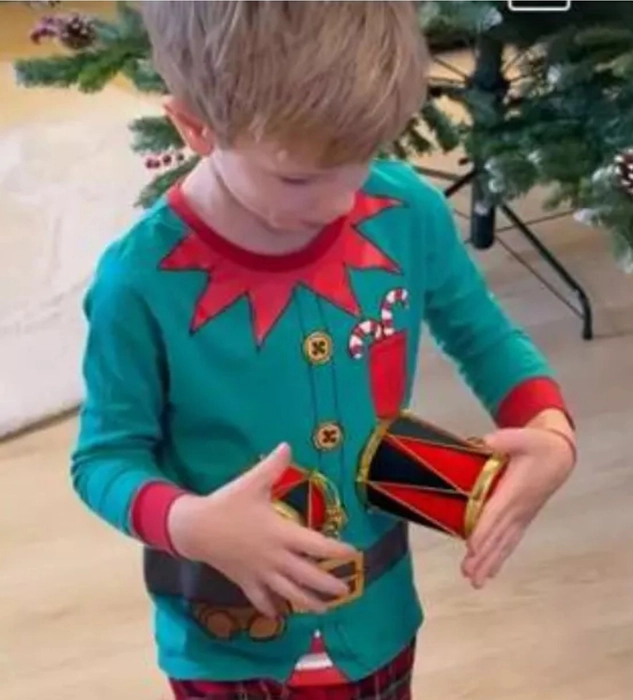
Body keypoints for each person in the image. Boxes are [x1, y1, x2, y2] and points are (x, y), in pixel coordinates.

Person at [70, 2, 577, 698]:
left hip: (380, 627)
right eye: (299, 179)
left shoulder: (405, 212)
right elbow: (104, 459)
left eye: (363, 161)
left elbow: (484, 338)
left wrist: (552, 432)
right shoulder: (137, 283)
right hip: (224, 650)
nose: (341, 202)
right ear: (196, 127)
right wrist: (191, 525)